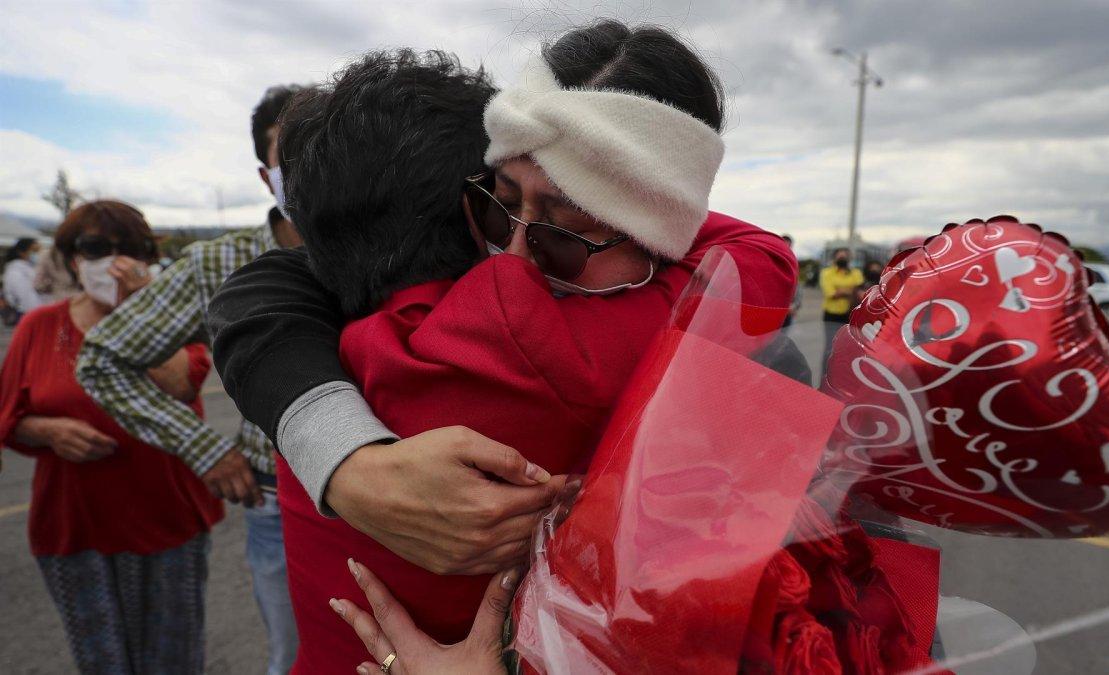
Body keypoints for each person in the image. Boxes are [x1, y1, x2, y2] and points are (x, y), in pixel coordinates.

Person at [208, 23, 797, 672]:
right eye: (499, 206)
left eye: (568, 227)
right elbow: (759, 254)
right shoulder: (560, 338)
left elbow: (267, 289)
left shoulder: (334, 340)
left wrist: (340, 457)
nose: (512, 263)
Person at [75, 86, 307, 675]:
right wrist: (205, 449)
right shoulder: (217, 263)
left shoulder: (389, 244)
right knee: (295, 656)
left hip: (391, 495)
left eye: (322, 144)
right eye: (289, 153)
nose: (308, 164)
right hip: (277, 502)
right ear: (266, 176)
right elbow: (103, 360)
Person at [0, 201, 223, 674]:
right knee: (102, 663)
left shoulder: (174, 322)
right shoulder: (41, 327)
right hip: (75, 528)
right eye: (97, 247)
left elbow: (181, 383)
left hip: (167, 520)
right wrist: (47, 431)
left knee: (173, 662)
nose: (115, 261)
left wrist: (141, 311)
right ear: (73, 257)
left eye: (131, 249)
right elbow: (8, 415)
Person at [819, 247, 863, 369]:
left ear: (849, 259)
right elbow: (830, 294)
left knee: (849, 346)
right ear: (834, 258)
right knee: (830, 346)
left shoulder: (856, 273)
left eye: (845, 256)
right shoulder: (826, 273)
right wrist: (851, 290)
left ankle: (843, 373)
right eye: (840, 256)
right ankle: (826, 372)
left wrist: (840, 290)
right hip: (831, 315)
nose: (842, 258)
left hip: (851, 315)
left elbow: (859, 292)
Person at [3, 237, 46, 322]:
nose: (38, 253)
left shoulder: (30, 268)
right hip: (29, 316)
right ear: (21, 253)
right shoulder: (16, 272)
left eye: (39, 250)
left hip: (37, 313)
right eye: (35, 250)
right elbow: (28, 300)